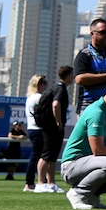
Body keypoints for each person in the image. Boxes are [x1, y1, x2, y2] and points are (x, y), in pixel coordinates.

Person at [60, 81, 106, 210]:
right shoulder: (97, 113)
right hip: (72, 166)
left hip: (86, 164)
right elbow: (98, 150)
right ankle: (78, 193)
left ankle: (92, 196)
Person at [36, 65, 74, 193]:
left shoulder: (56, 88)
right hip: (52, 127)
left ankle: (51, 183)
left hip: (50, 126)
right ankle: (41, 183)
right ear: (67, 75)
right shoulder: (60, 89)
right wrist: (59, 122)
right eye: (72, 75)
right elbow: (55, 104)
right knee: (46, 155)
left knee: (52, 156)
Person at [23, 74, 47, 191]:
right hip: (38, 130)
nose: (45, 86)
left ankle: (31, 182)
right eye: (44, 83)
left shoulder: (30, 97)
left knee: (36, 156)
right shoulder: (38, 97)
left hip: (32, 128)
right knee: (38, 156)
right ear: (39, 85)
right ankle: (31, 182)